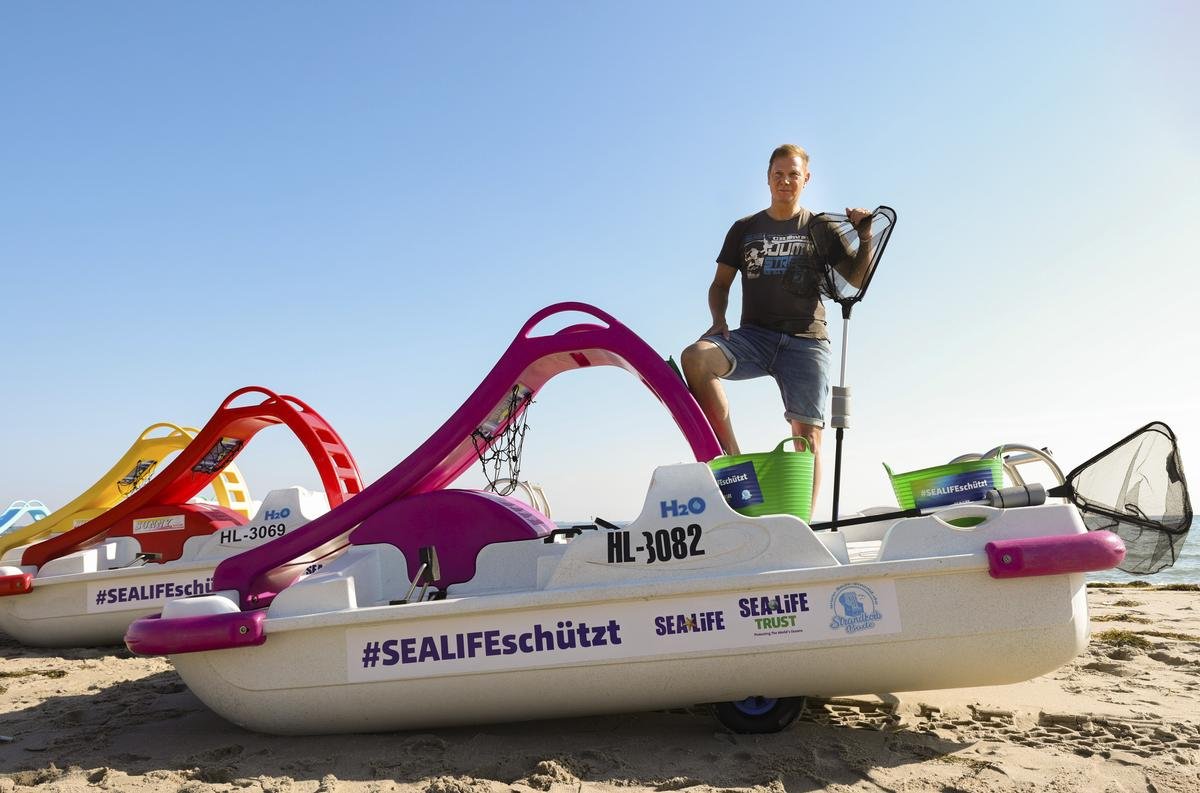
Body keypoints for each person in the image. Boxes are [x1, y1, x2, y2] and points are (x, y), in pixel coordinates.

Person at [681, 144, 873, 505]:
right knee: (696, 358)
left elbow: (855, 281)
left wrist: (864, 237)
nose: (785, 181)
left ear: (806, 179)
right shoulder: (744, 229)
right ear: (768, 178)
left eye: (793, 174)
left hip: (806, 341)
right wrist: (718, 320)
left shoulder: (822, 228)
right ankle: (734, 463)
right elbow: (720, 284)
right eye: (778, 174)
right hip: (754, 337)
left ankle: (804, 522)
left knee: (807, 437)